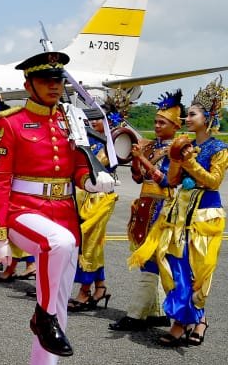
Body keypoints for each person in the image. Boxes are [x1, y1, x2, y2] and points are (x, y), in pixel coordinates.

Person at [0, 51, 115, 365]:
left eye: (58, 80)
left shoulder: (68, 120)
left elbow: (73, 166)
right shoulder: (9, 123)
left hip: (63, 213)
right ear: (29, 85)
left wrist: (89, 179)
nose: (54, 86)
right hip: (23, 210)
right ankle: (43, 317)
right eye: (46, 80)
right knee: (58, 247)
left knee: (59, 300)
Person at [132, 79, 226, 346]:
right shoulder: (184, 145)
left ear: (208, 118)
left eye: (193, 114)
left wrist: (190, 161)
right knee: (175, 269)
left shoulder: (220, 149)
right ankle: (183, 321)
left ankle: (195, 320)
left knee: (197, 271)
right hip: (178, 213)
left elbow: (213, 181)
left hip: (204, 214)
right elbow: (172, 181)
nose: (187, 118)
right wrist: (174, 159)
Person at [110, 91, 181, 332]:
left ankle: (136, 314)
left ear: (176, 125)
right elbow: (139, 177)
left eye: (162, 122)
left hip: (163, 209)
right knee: (149, 259)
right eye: (155, 122)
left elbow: (166, 182)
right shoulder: (150, 146)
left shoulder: (178, 150)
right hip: (144, 206)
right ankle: (158, 311)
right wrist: (137, 159)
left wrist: (144, 159)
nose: (157, 126)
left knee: (151, 260)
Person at [67, 117, 117, 312]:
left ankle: (84, 291)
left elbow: (95, 166)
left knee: (89, 243)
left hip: (101, 199)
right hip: (85, 196)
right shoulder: (89, 140)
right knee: (91, 244)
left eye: (97, 118)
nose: (91, 122)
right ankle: (100, 287)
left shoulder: (112, 144)